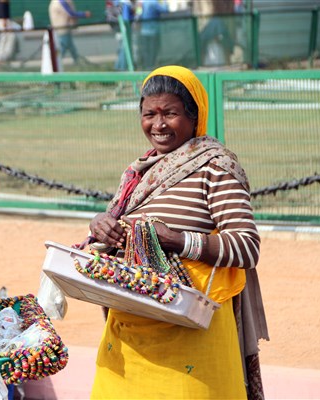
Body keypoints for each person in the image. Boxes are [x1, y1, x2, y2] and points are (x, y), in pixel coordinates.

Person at [86, 65, 269, 399]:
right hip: (130, 331)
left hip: (190, 329)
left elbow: (246, 247)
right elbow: (115, 237)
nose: (158, 125)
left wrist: (176, 240)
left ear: (194, 116)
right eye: (149, 114)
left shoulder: (216, 167)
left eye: (170, 113)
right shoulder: (137, 172)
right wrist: (101, 225)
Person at [48, 0, 91, 64]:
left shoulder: (54, 2)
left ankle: (76, 61)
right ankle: (55, 63)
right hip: (63, 29)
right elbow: (70, 13)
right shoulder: (61, 2)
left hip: (60, 28)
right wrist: (84, 14)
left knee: (70, 46)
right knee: (63, 47)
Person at [137, 0, 169, 70]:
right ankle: (150, 67)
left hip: (144, 31)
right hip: (153, 32)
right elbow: (165, 10)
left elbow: (138, 14)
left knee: (146, 51)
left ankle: (146, 66)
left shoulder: (143, 3)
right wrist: (165, 2)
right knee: (153, 51)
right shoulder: (154, 2)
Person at [112, 0, 136, 71]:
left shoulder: (119, 3)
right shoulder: (125, 3)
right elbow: (125, 19)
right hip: (124, 29)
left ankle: (119, 66)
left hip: (119, 29)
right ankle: (121, 67)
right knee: (124, 48)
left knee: (122, 48)